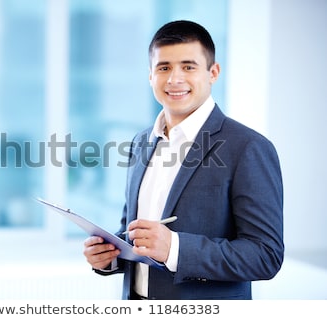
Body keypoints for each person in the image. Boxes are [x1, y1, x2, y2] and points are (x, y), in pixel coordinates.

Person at [83, 20, 284, 300]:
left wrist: (175, 248)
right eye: (163, 68)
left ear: (213, 72)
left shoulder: (248, 147)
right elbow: (133, 232)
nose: (174, 79)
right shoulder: (141, 142)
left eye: (188, 67)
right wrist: (110, 257)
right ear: (150, 76)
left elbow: (265, 256)